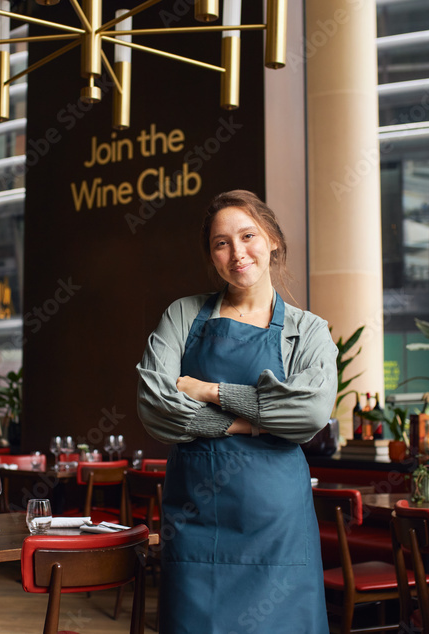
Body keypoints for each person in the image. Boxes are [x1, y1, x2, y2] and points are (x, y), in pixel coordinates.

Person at [136, 190, 336, 633]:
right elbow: (156, 406)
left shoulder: (308, 331)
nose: (237, 252)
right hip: (197, 522)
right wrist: (250, 423)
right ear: (211, 256)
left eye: (248, 236)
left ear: (273, 241)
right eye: (221, 243)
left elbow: (307, 415)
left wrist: (208, 390)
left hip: (277, 524)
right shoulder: (182, 316)